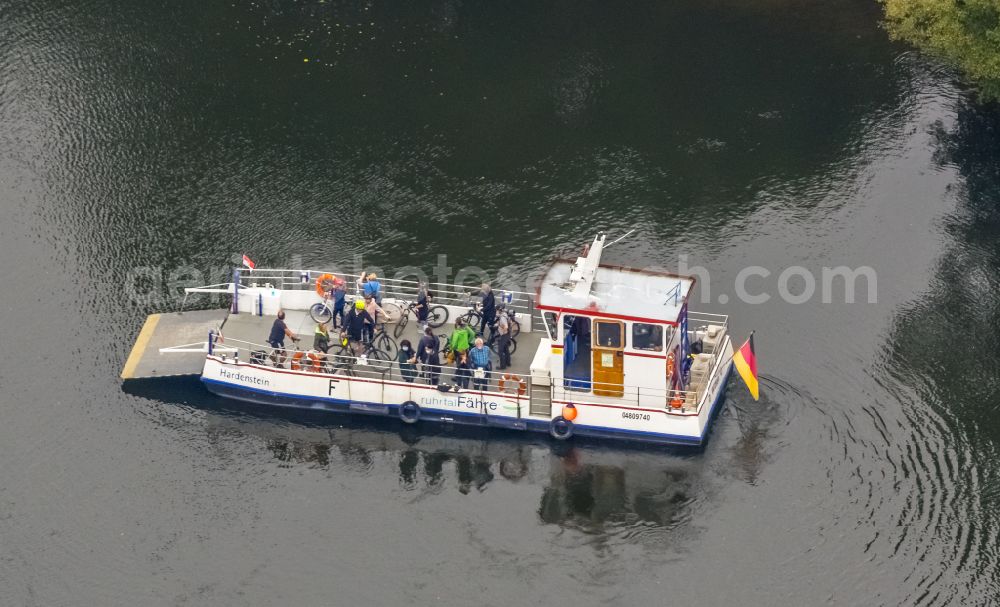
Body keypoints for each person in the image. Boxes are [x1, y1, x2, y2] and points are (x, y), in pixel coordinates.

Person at [495, 305, 512, 370]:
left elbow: (506, 327)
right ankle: (508, 363)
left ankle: (502, 366)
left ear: (499, 310)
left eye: (496, 310)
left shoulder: (502, 318)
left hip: (504, 335)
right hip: (507, 335)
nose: (496, 312)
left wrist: (502, 333)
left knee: (500, 351)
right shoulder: (505, 314)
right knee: (506, 349)